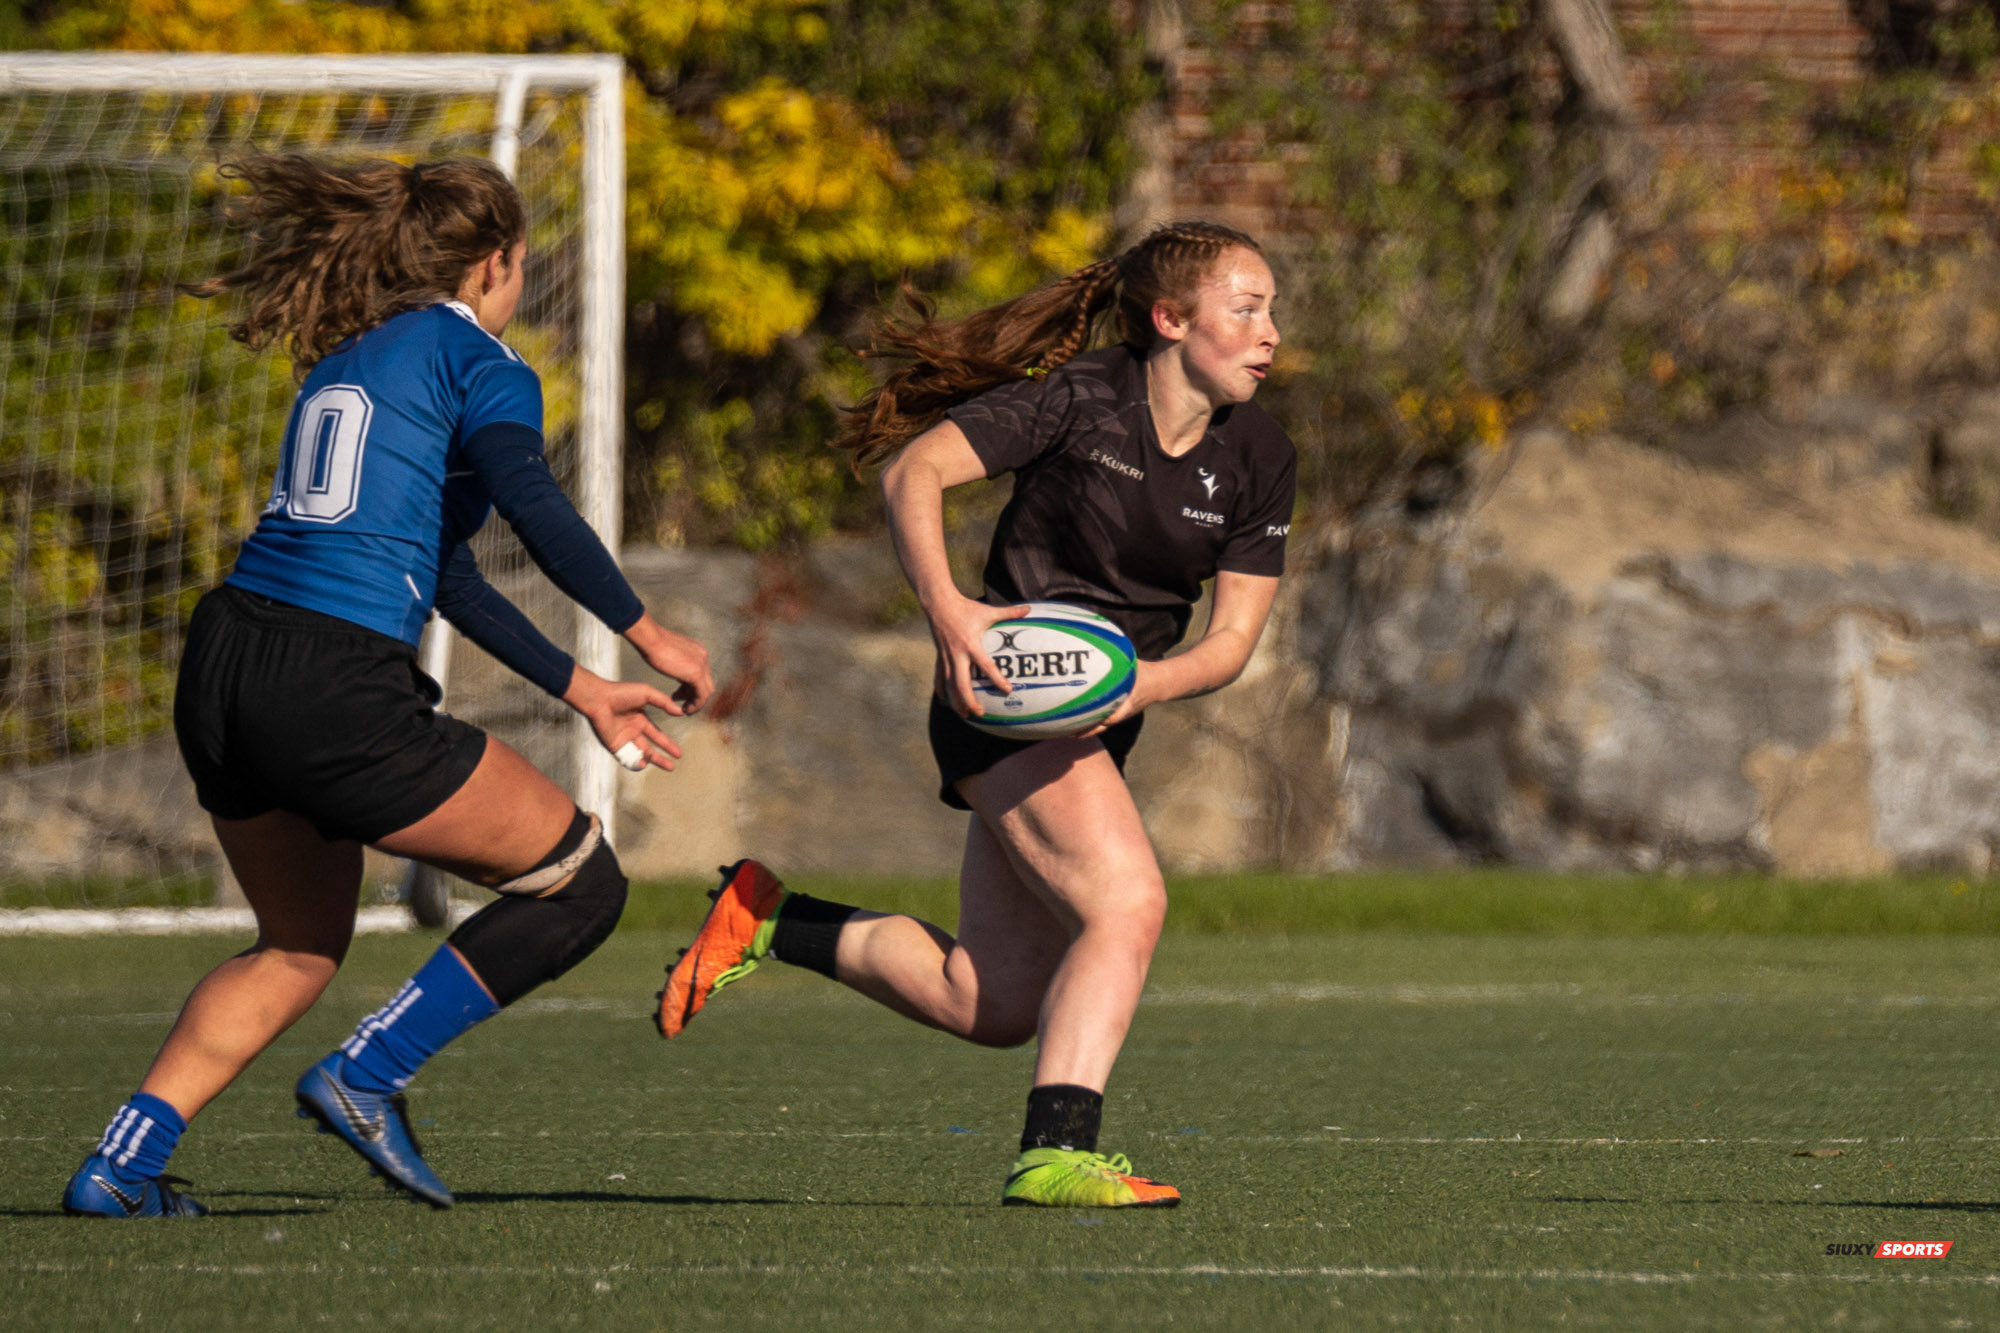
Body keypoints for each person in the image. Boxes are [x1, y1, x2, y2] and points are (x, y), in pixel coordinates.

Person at [62, 154, 713, 1218]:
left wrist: (581, 684)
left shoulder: (351, 359)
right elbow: (533, 502)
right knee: (579, 881)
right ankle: (366, 1075)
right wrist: (648, 632)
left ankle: (120, 1164)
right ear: (496, 262)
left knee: (298, 943)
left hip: (226, 659)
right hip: (330, 678)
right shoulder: (483, 361)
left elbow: (447, 569)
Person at [656, 220, 1294, 1208]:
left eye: (1270, 311)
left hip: (1098, 714)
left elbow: (1228, 643)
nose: (1269, 333)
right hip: (996, 702)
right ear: (1169, 319)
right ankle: (1057, 1149)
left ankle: (767, 917)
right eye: (1246, 308)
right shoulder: (1079, 399)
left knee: (987, 999)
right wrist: (949, 611)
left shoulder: (1258, 453)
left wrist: (1139, 687)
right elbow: (912, 472)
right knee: (1126, 901)